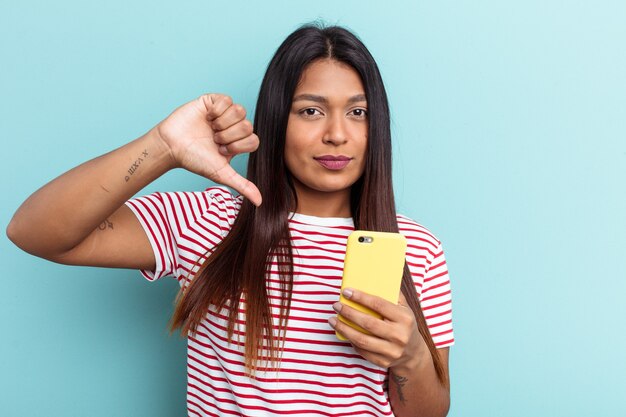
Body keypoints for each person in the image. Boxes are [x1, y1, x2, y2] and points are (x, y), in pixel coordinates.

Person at [7, 24, 455, 417]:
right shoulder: (206, 221)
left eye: (358, 112)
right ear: (277, 121)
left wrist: (412, 357)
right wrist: (162, 146)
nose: (337, 133)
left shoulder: (418, 247)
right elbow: (34, 231)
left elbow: (428, 413)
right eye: (311, 110)